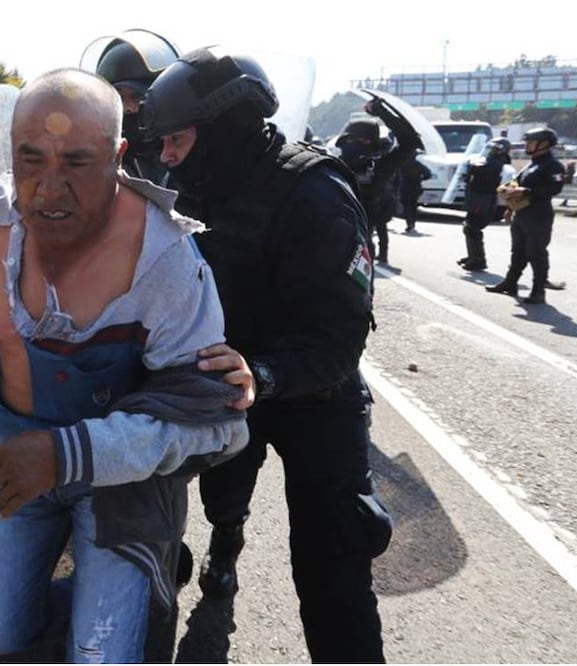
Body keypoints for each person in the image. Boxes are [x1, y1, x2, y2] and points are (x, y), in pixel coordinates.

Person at [0, 68, 253, 663]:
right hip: (19, 464)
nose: (49, 188)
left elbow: (216, 420)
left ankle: (125, 596)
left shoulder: (165, 260)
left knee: (105, 653)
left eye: (77, 163)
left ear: (118, 157)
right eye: (30, 160)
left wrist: (66, 455)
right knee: (3, 634)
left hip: (121, 487)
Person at [141, 47, 392, 662]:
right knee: (223, 499)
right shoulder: (191, 188)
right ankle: (228, 539)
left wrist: (268, 373)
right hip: (233, 388)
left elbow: (339, 339)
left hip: (317, 395)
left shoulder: (315, 192)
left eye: (175, 140)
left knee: (335, 570)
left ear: (223, 126)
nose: (166, 157)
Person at [335, 102, 423, 265]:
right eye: (353, 140)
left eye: (362, 140)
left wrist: (382, 112)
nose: (354, 144)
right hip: (333, 245)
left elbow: (410, 142)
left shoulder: (378, 167)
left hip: (357, 246)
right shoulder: (332, 164)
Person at [88, 29, 179, 184]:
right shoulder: (102, 167)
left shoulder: (186, 158)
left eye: (137, 97)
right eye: (119, 98)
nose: (127, 108)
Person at [486, 126, 565, 305]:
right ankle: (510, 283)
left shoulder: (553, 165)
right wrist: (510, 207)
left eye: (531, 142)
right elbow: (517, 186)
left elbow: (555, 188)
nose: (527, 145)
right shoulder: (531, 164)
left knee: (536, 253)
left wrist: (528, 190)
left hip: (539, 215)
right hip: (522, 214)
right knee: (518, 251)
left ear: (544, 143)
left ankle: (538, 291)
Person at [457, 137, 509, 271]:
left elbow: (485, 170)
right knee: (468, 226)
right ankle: (473, 256)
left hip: (484, 198)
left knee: (473, 228)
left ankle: (479, 260)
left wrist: (473, 167)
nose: (491, 151)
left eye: (494, 149)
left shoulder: (499, 163)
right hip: (477, 196)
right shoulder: (488, 161)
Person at [397, 150, 431, 233]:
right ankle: (412, 223)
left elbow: (395, 175)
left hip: (405, 186)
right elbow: (428, 174)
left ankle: (409, 223)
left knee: (407, 205)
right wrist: (420, 179)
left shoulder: (402, 164)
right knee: (413, 205)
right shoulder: (418, 165)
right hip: (416, 187)